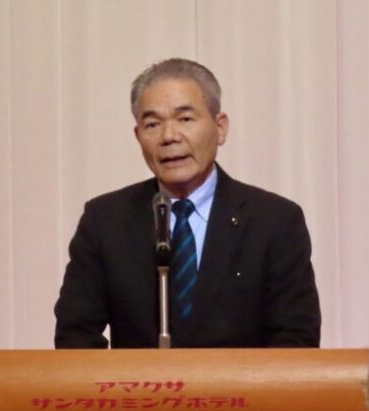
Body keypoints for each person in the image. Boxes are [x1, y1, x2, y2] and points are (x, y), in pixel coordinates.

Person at [54, 58, 321, 348]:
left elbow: (296, 339)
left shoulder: (275, 222)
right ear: (138, 136)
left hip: (241, 380)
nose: (169, 137)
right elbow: (75, 336)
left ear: (220, 128)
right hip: (139, 380)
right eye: (152, 124)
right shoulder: (105, 221)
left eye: (185, 119)